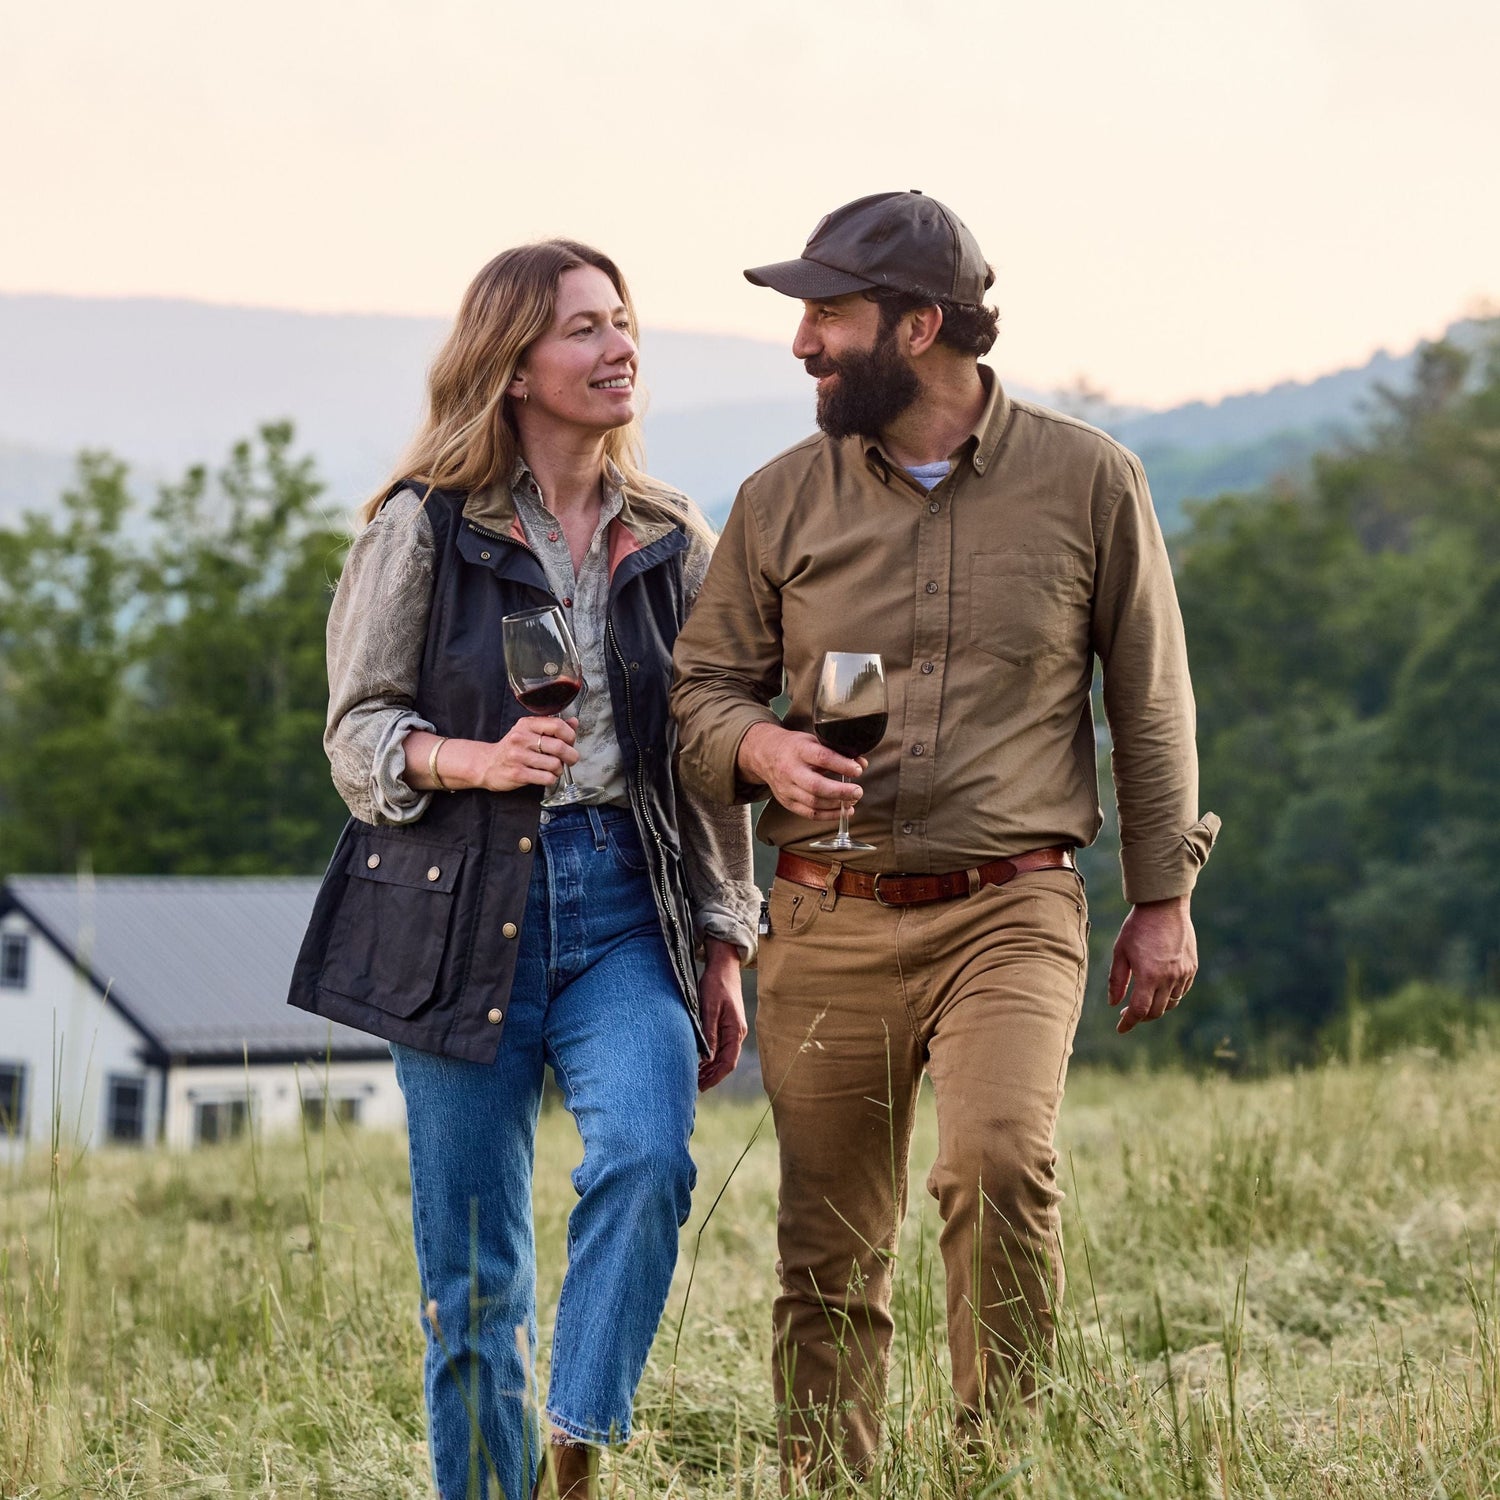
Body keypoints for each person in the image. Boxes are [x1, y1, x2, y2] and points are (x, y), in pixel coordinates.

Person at [671, 191, 1220, 1479]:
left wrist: (1163, 898)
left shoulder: (1089, 479)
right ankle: (829, 1478)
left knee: (997, 1163)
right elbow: (698, 691)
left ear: (921, 325)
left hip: (1012, 905)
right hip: (824, 911)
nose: (802, 342)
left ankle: (1002, 1464)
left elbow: (1147, 695)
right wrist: (758, 747)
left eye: (828, 314)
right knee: (828, 1251)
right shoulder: (777, 501)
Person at [288, 240, 758, 1500]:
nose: (621, 350)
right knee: (476, 1279)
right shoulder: (419, 528)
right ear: (511, 368)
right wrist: (472, 762)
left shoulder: (668, 536)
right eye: (586, 330)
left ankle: (575, 1443)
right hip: (451, 908)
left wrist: (723, 938)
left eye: (625, 324)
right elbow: (355, 737)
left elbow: (703, 751)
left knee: (652, 1159)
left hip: (621, 899)